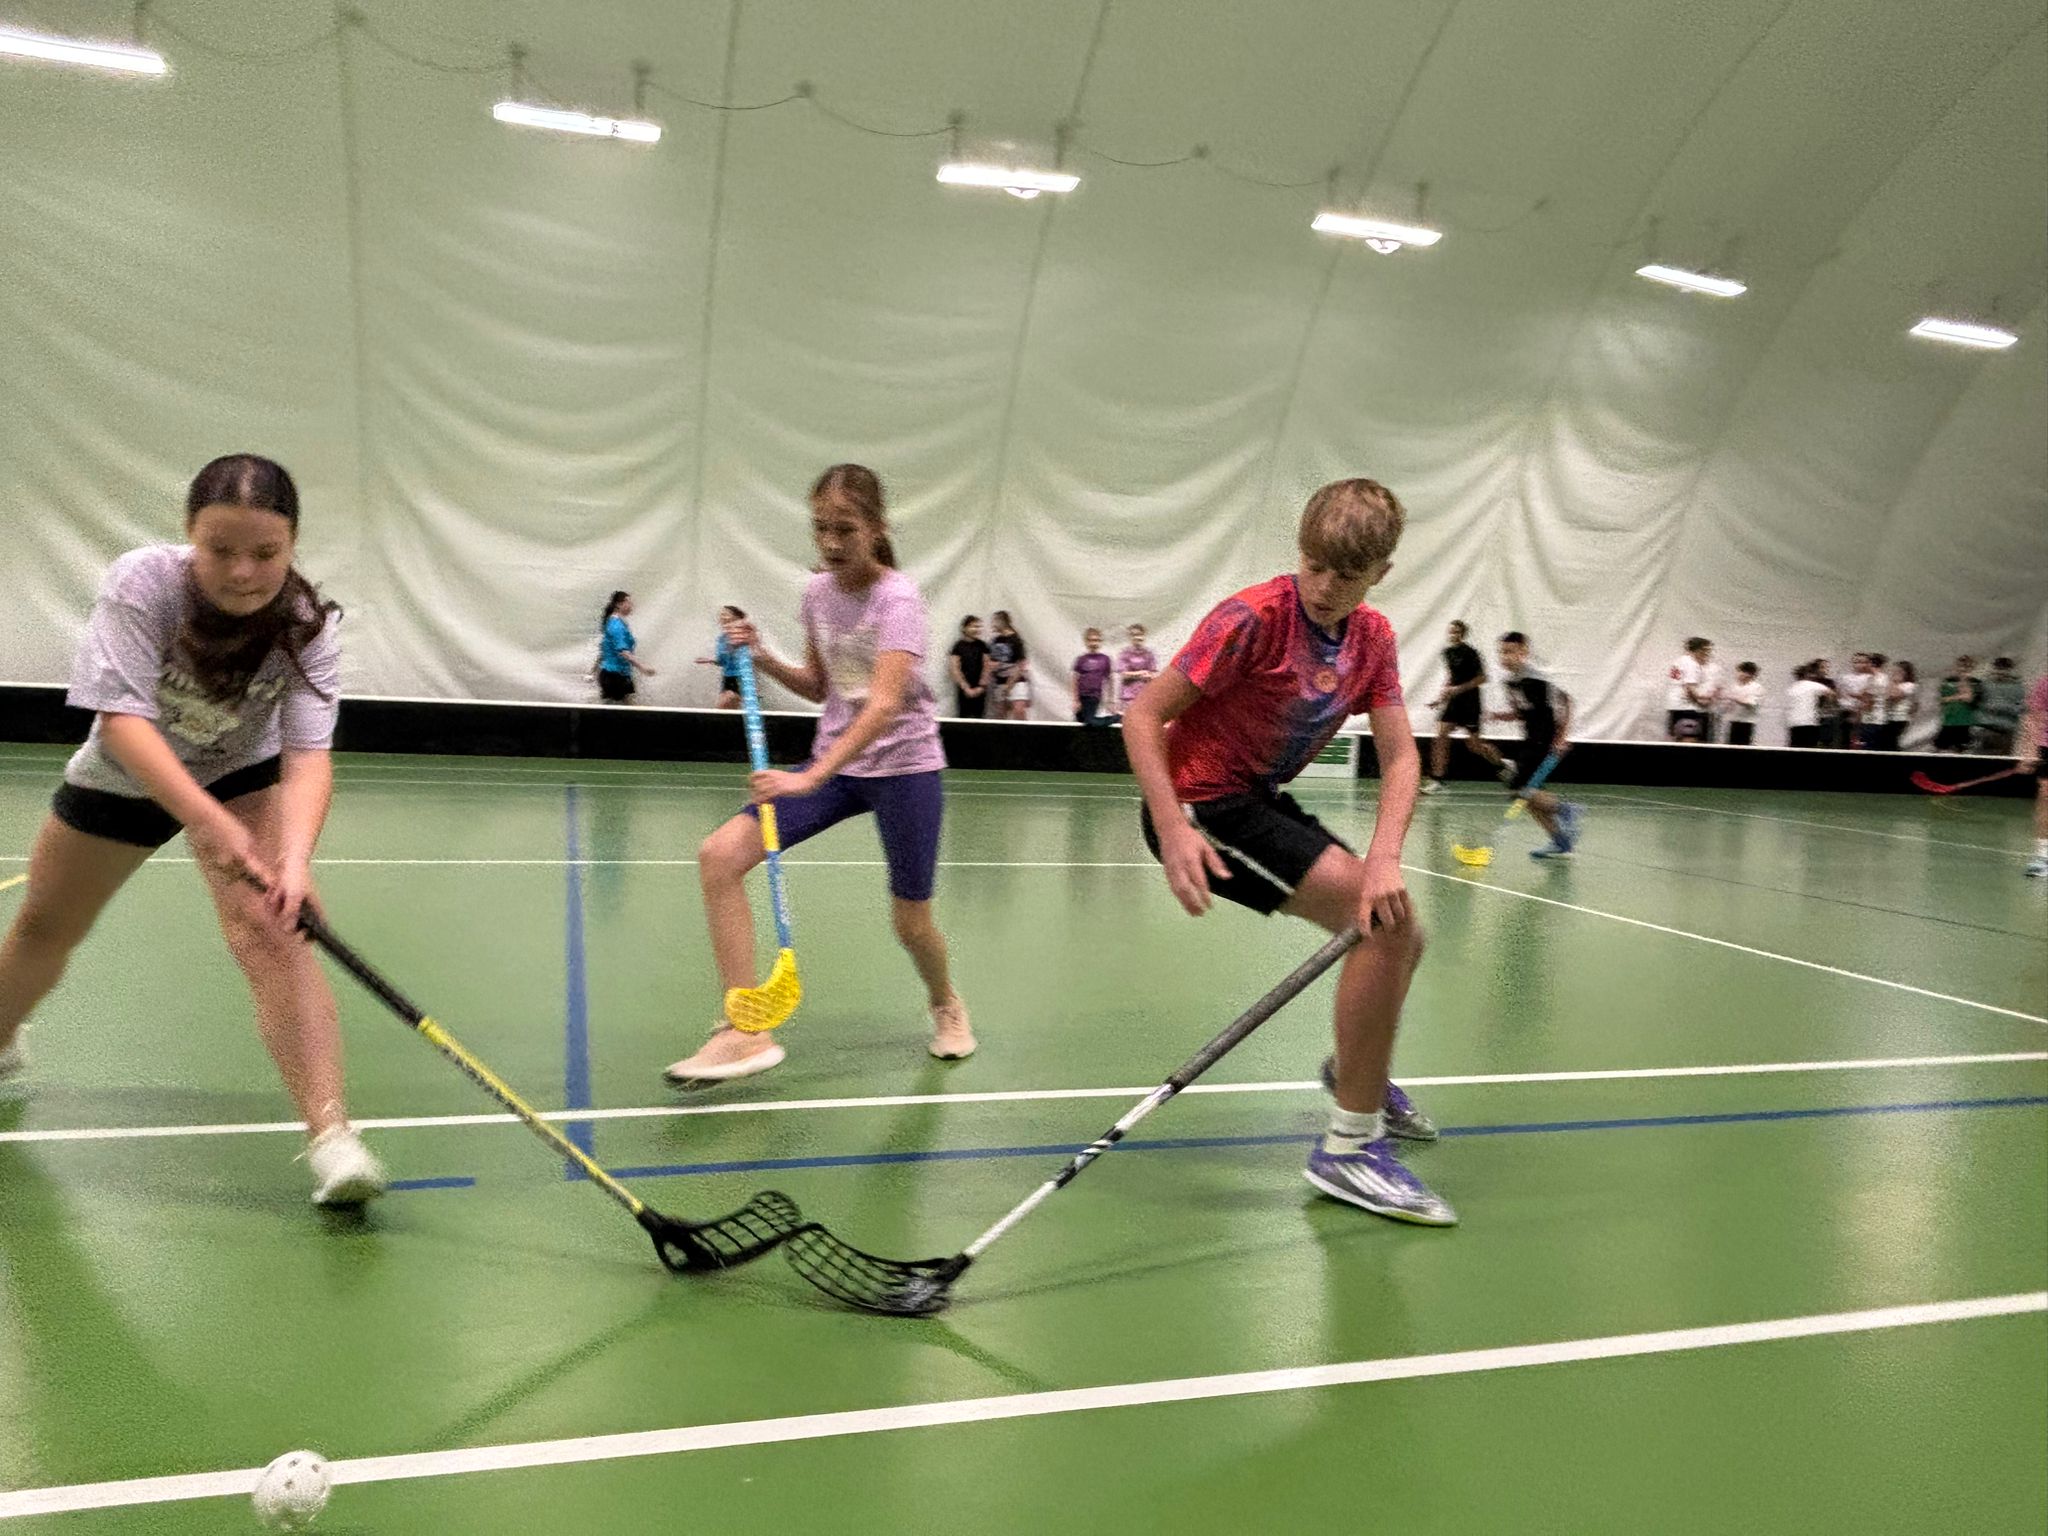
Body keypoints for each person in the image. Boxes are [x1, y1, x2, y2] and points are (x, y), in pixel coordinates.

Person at [0, 455, 383, 1206]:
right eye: (220, 549)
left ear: (293, 544)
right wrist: (205, 822)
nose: (243, 572)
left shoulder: (306, 622)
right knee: (46, 927)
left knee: (275, 933)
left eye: (266, 553)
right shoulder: (143, 583)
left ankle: (332, 1137)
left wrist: (294, 862)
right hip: (129, 771)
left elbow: (308, 755)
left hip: (240, 771)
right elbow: (123, 719)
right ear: (189, 535)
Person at [1122, 477, 1453, 1227]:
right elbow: (1143, 716)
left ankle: (1356, 1069)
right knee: (1385, 930)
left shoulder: (1372, 639)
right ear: (1300, 552)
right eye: (1316, 565)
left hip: (1255, 798)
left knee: (1402, 929)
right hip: (1202, 805)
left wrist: (1386, 857)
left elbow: (1401, 757)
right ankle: (1349, 1147)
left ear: (1381, 574)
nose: (1326, 586)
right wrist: (1171, 826)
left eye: (1349, 574)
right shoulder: (1251, 619)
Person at [665, 464, 973, 1087]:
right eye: (821, 528)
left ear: (877, 528)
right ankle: (745, 1030)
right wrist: (761, 657)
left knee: (911, 923)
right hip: (839, 764)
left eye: (846, 529)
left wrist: (808, 778)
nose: (831, 543)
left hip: (905, 769)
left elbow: (883, 705)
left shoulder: (898, 600)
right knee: (719, 856)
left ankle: (946, 1002)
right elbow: (819, 686)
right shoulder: (817, 594)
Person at [1493, 633, 1583, 858]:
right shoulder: (1510, 682)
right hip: (1530, 739)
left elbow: (1566, 702)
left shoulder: (1536, 679)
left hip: (1544, 740)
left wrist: (1561, 738)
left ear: (1523, 653)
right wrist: (1501, 716)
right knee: (1527, 797)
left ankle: (1567, 810)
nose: (1505, 656)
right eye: (1502, 652)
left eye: (1510, 651)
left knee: (1519, 790)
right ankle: (1561, 843)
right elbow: (1522, 712)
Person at [1424, 619, 1509, 792]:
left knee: (1474, 746)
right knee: (1440, 736)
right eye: (1450, 631)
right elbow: (1451, 677)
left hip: (1470, 702)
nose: (1452, 634)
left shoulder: (1471, 653)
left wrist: (1459, 689)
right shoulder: (1447, 652)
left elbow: (1482, 678)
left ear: (1462, 634)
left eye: (1456, 632)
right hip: (1453, 702)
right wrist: (1440, 698)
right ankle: (1437, 780)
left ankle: (1502, 764)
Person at [596, 591, 655, 703]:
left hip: (617, 675)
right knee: (624, 709)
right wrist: (642, 667)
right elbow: (624, 652)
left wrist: (593, 670)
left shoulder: (615, 622)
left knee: (626, 707)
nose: (631, 606)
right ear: (618, 604)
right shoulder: (616, 625)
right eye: (629, 602)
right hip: (614, 676)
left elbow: (604, 651)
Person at [2020, 675, 2047, 878]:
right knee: (2046, 795)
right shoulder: (2045, 682)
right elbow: (2033, 717)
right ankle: (2043, 855)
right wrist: (2029, 751)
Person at [695, 605, 746, 709]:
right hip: (728, 676)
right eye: (721, 615)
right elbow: (723, 661)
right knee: (725, 709)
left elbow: (752, 654)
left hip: (741, 676)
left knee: (723, 706)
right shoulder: (721, 638)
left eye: (726, 614)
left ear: (736, 617)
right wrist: (710, 660)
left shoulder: (743, 633)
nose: (722, 617)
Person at [1665, 637, 1714, 742]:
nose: (1708, 654)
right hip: (1686, 706)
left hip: (1674, 704)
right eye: (1706, 650)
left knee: (1676, 737)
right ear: (1698, 650)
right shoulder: (1692, 664)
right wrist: (1702, 701)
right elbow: (1690, 688)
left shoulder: (1680, 660)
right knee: (1689, 739)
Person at [1977, 658, 2025, 755]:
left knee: (2004, 759)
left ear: (2010, 670)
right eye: (1998, 669)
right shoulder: (1985, 685)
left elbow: (2022, 707)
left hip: (2008, 730)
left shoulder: (2018, 687)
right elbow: (1977, 704)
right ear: (1994, 669)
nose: (2001, 672)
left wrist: (2001, 707)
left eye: (2004, 669)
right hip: (1987, 728)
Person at [988, 611, 1030, 720]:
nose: (993, 624)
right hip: (1000, 682)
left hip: (1016, 681)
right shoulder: (995, 640)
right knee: (1000, 713)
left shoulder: (1016, 640)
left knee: (1019, 710)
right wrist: (992, 666)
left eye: (995, 621)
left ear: (1002, 622)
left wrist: (1009, 684)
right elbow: (992, 661)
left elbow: (1021, 665)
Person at [1934, 657, 1982, 753]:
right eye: (1960, 666)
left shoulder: (1976, 683)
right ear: (1956, 667)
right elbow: (1942, 699)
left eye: (1966, 666)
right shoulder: (1948, 681)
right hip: (1949, 719)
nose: (1962, 669)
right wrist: (1958, 697)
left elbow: (1970, 699)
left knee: (1961, 748)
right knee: (1941, 746)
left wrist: (1964, 680)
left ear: (1971, 668)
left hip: (1965, 721)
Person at [948, 615, 991, 718]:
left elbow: (987, 667)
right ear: (964, 628)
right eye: (973, 626)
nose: (976, 629)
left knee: (980, 718)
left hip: (980, 689)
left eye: (978, 627)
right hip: (964, 689)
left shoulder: (983, 645)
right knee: (963, 717)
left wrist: (981, 687)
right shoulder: (958, 646)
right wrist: (965, 687)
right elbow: (954, 668)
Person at [1113, 622, 1158, 718]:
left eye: (1139, 634)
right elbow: (1124, 675)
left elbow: (1153, 674)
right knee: (1128, 721)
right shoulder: (1125, 653)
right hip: (1128, 696)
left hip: (1144, 695)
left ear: (1144, 636)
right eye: (1134, 635)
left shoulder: (1149, 653)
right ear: (1130, 637)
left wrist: (1150, 676)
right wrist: (1141, 673)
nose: (1137, 637)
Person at [1785, 663, 1835, 748]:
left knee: (1795, 748)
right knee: (1809, 747)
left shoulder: (1792, 688)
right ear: (1808, 674)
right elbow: (1831, 693)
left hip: (1794, 723)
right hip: (1809, 722)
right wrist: (1826, 705)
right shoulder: (1812, 685)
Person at [1072, 628, 1114, 727]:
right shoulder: (1081, 659)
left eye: (1096, 640)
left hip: (1094, 695)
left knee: (1090, 721)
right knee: (1081, 720)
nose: (1093, 643)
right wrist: (1075, 700)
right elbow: (1075, 679)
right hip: (1082, 695)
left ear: (1100, 642)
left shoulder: (1105, 659)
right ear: (1086, 642)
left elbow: (1110, 680)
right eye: (1091, 640)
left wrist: (1111, 700)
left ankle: (1116, 718)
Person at [1876, 660, 1916, 751]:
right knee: (1884, 742)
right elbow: (1886, 697)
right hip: (1890, 717)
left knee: (1892, 742)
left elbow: (1895, 695)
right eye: (1894, 671)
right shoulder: (1893, 684)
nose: (1895, 673)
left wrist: (1893, 681)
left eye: (1899, 671)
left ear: (1906, 673)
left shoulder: (1909, 685)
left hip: (1901, 717)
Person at [1720, 661, 1762, 746]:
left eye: (1741, 672)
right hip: (1733, 721)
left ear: (1749, 674)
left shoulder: (1756, 687)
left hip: (1746, 722)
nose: (1738, 674)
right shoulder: (1734, 687)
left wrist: (1734, 698)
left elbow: (1751, 703)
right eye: (1738, 671)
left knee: (1743, 746)